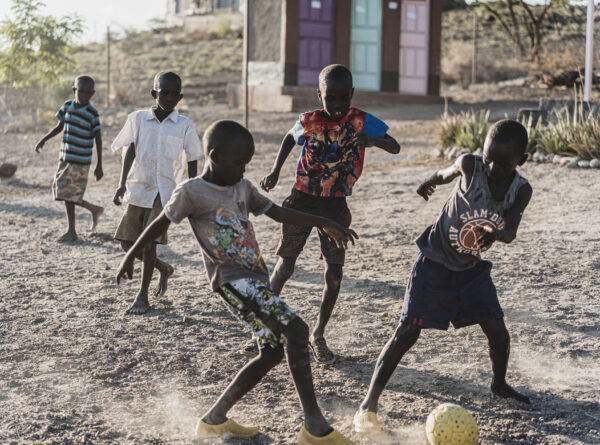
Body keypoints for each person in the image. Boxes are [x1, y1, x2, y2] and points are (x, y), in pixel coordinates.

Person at [115, 120, 358, 445]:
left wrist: (326, 222)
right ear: (214, 156)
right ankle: (314, 426)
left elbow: (280, 214)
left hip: (254, 280)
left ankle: (214, 420)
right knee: (297, 330)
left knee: (271, 353)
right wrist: (129, 255)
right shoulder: (191, 192)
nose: (244, 171)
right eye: (239, 164)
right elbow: (158, 223)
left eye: (246, 164)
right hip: (232, 282)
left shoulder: (243, 188)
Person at [353, 119, 533, 435]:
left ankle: (499, 384)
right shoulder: (470, 165)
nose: (492, 168)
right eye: (488, 158)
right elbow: (444, 173)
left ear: (522, 161)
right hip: (434, 262)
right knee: (406, 332)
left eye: (502, 164)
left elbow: (512, 231)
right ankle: (368, 404)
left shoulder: (521, 189)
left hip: (471, 272)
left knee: (498, 333)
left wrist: (496, 233)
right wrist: (428, 182)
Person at [258, 64, 401, 363]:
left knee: (334, 273)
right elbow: (288, 137)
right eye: (329, 98)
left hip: (335, 206)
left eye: (342, 98)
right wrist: (274, 171)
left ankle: (318, 334)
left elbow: (395, 146)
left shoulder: (362, 120)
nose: (336, 106)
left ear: (351, 94)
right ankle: (263, 327)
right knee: (285, 267)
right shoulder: (309, 120)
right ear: (319, 94)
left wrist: (373, 141)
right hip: (301, 202)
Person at [111, 71, 203, 315]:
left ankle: (142, 297)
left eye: (175, 94)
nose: (170, 97)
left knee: (149, 243)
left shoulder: (184, 125)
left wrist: (192, 187)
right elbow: (129, 152)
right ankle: (163, 268)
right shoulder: (138, 119)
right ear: (155, 93)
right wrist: (121, 184)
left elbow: (193, 157)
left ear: (180, 97)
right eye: (165, 92)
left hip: (165, 192)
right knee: (127, 242)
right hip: (139, 187)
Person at [35, 75, 104, 242]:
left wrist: (99, 164)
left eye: (88, 93)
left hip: (81, 161)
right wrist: (44, 139)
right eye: (81, 91)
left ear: (93, 93)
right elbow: (60, 126)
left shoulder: (92, 114)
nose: (84, 95)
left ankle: (72, 230)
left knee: (68, 193)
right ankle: (93, 209)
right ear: (74, 90)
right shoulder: (67, 106)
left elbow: (98, 138)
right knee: (62, 191)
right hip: (65, 158)